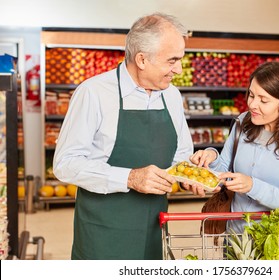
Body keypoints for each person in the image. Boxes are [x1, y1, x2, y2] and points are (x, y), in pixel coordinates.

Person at [53, 13, 197, 260]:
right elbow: (65, 164)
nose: (178, 69)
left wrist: (190, 173)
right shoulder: (94, 93)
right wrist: (130, 177)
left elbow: (181, 154)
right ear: (142, 59)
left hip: (155, 228)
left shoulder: (171, 95)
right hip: (104, 234)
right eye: (172, 60)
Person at [189, 61, 279, 233]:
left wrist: (253, 186)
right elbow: (224, 174)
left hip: (278, 245)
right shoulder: (243, 123)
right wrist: (211, 158)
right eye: (251, 95)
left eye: (263, 100)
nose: (252, 105)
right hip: (236, 240)